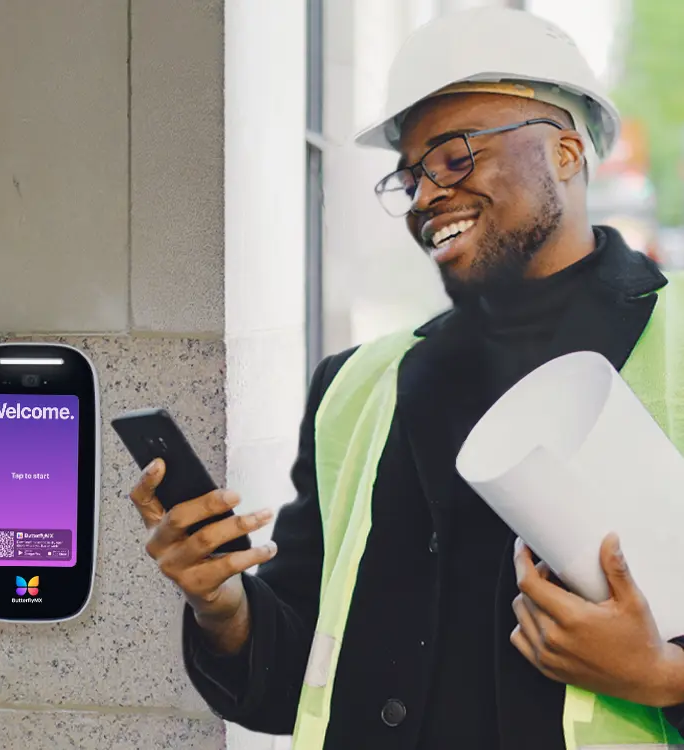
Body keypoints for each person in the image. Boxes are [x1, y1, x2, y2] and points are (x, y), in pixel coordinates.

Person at [128, 7, 684, 750]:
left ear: (564, 152)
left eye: (454, 157)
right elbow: (293, 684)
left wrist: (662, 679)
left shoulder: (673, 345)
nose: (425, 196)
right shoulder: (356, 386)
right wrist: (223, 606)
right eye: (411, 174)